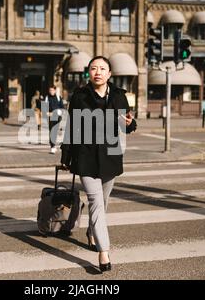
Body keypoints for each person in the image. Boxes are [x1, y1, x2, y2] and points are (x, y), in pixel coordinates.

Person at [60, 56, 137, 272]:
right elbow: (70, 128)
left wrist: (130, 124)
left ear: (110, 74)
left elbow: (127, 125)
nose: (98, 72)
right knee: (95, 201)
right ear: (89, 73)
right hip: (85, 156)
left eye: (102, 68)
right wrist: (65, 156)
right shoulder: (79, 96)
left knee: (103, 202)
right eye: (94, 68)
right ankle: (104, 252)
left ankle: (92, 232)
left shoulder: (120, 97)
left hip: (110, 157)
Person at [45, 86, 64, 154]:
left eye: (52, 90)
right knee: (51, 131)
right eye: (50, 90)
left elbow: (62, 107)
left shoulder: (58, 97)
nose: (51, 91)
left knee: (54, 131)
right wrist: (47, 112)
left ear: (55, 91)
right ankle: (52, 146)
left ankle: (53, 146)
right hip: (50, 117)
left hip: (57, 116)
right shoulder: (47, 97)